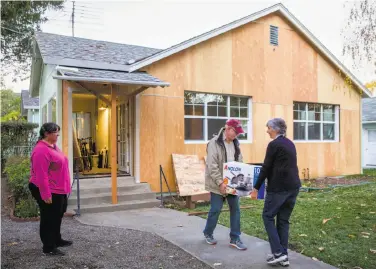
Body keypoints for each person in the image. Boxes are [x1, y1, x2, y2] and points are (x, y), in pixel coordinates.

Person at [250, 118, 301, 266]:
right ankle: (282, 256)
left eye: (269, 128)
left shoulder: (274, 145)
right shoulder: (290, 143)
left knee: (267, 216)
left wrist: (255, 188)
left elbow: (266, 168)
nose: (267, 131)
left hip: (279, 189)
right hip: (293, 188)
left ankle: (278, 252)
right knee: (283, 221)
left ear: (276, 129)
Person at [29, 122, 72, 256]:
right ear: (47, 134)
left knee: (58, 215)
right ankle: (48, 247)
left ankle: (57, 240)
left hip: (58, 188)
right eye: (55, 132)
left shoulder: (52, 146)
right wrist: (45, 194)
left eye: (58, 131)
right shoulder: (41, 150)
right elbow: (41, 175)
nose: (58, 134)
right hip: (47, 189)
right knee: (49, 217)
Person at [203, 119, 247, 250]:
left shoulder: (236, 144)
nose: (236, 135)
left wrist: (242, 181)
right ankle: (208, 233)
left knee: (236, 209)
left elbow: (240, 162)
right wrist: (220, 182)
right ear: (227, 128)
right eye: (235, 131)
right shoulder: (214, 143)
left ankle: (235, 238)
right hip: (217, 183)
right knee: (216, 209)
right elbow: (212, 165)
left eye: (238, 133)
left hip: (232, 184)